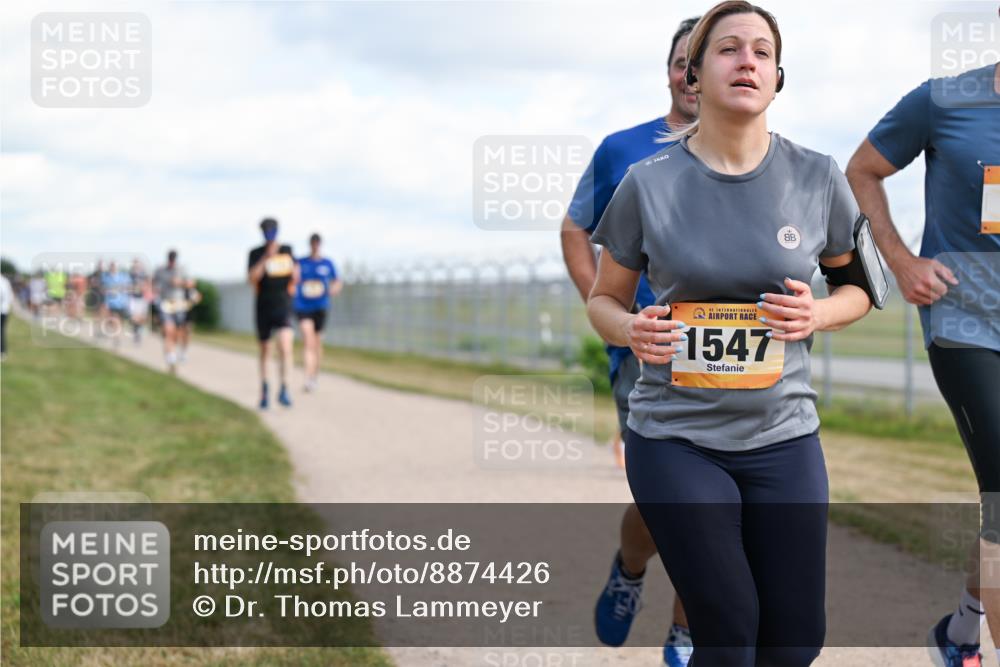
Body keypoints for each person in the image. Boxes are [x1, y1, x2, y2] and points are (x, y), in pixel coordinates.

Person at [587, 3, 874, 664]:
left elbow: (860, 289)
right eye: (727, 49)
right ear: (692, 75)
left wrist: (817, 314)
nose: (747, 60)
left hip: (783, 434)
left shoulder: (818, 176)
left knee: (796, 638)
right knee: (730, 625)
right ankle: (632, 574)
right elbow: (605, 299)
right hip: (675, 436)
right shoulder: (646, 184)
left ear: (777, 78)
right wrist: (631, 327)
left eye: (761, 52)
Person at [846, 61, 999, 667]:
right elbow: (863, 169)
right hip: (965, 320)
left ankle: (960, 632)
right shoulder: (943, 100)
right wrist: (902, 262)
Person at [560, 15, 699, 667]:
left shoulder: (764, 154)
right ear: (669, 70)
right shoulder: (624, 149)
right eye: (683, 60)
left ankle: (685, 630)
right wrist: (607, 305)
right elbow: (574, 228)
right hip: (642, 356)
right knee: (664, 500)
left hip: (731, 363)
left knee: (713, 502)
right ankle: (630, 568)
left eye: (709, 58)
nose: (694, 73)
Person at [248, 217, 298, 409]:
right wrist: (266, 258)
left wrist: (295, 272)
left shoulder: (287, 250)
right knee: (265, 350)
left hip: (283, 305)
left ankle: (285, 387)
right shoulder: (255, 253)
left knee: (285, 346)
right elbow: (252, 278)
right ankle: (265, 389)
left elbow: (296, 275)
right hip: (263, 307)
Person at [295, 233, 342, 392]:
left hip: (320, 306)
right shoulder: (301, 263)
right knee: (308, 340)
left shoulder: (327, 263)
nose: (315, 245)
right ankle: (307, 378)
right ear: (310, 244)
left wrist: (333, 289)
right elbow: (293, 278)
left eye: (317, 243)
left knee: (317, 343)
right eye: (312, 243)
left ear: (320, 244)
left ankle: (314, 376)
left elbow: (337, 281)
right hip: (303, 306)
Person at [152, 250, 191, 372]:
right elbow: (152, 283)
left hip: (179, 304)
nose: (172, 261)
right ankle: (171, 358)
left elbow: (191, 283)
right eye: (170, 258)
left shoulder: (182, 269)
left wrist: (181, 283)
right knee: (169, 331)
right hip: (165, 303)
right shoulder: (160, 270)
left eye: (173, 259)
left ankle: (179, 351)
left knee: (179, 334)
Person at [101, 261, 131, 346]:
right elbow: (104, 290)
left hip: (121, 302)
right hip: (111, 303)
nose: (112, 268)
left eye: (114, 267)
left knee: (119, 321)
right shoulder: (106, 278)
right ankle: (116, 337)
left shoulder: (123, 277)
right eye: (111, 267)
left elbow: (128, 288)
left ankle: (116, 334)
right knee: (114, 319)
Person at [128, 258, 150, 345]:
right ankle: (136, 332)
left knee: (141, 318)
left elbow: (148, 284)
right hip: (133, 298)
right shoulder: (130, 275)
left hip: (142, 298)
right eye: (135, 265)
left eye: (138, 265)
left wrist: (144, 287)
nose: (136, 267)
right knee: (134, 317)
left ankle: (138, 331)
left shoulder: (144, 275)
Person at [0, 272, 12, 361]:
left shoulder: (3, 282)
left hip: (2, 310)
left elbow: (6, 296)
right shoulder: (5, 281)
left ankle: (2, 351)